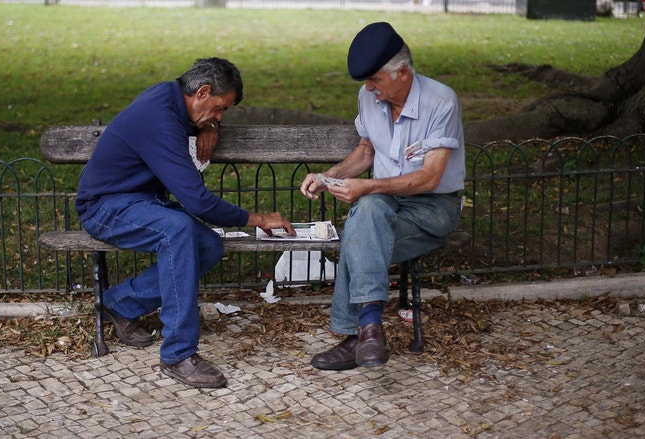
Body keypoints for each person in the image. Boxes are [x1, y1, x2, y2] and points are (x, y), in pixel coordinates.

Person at [75, 57, 296, 388]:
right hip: (104, 207)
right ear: (203, 91)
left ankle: (120, 304)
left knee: (208, 245)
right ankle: (178, 354)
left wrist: (209, 126)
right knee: (176, 230)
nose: (220, 116)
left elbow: (195, 118)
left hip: (141, 200)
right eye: (220, 109)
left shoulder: (172, 97)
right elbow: (198, 201)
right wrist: (258, 219)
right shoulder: (158, 119)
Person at [300, 22, 465, 371]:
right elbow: (366, 152)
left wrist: (367, 187)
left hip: (433, 207)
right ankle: (371, 330)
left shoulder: (441, 101)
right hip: (384, 205)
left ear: (402, 73)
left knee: (359, 234)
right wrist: (328, 177)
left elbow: (429, 178)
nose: (368, 88)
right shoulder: (369, 97)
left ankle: (355, 337)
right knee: (369, 212)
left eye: (375, 80)